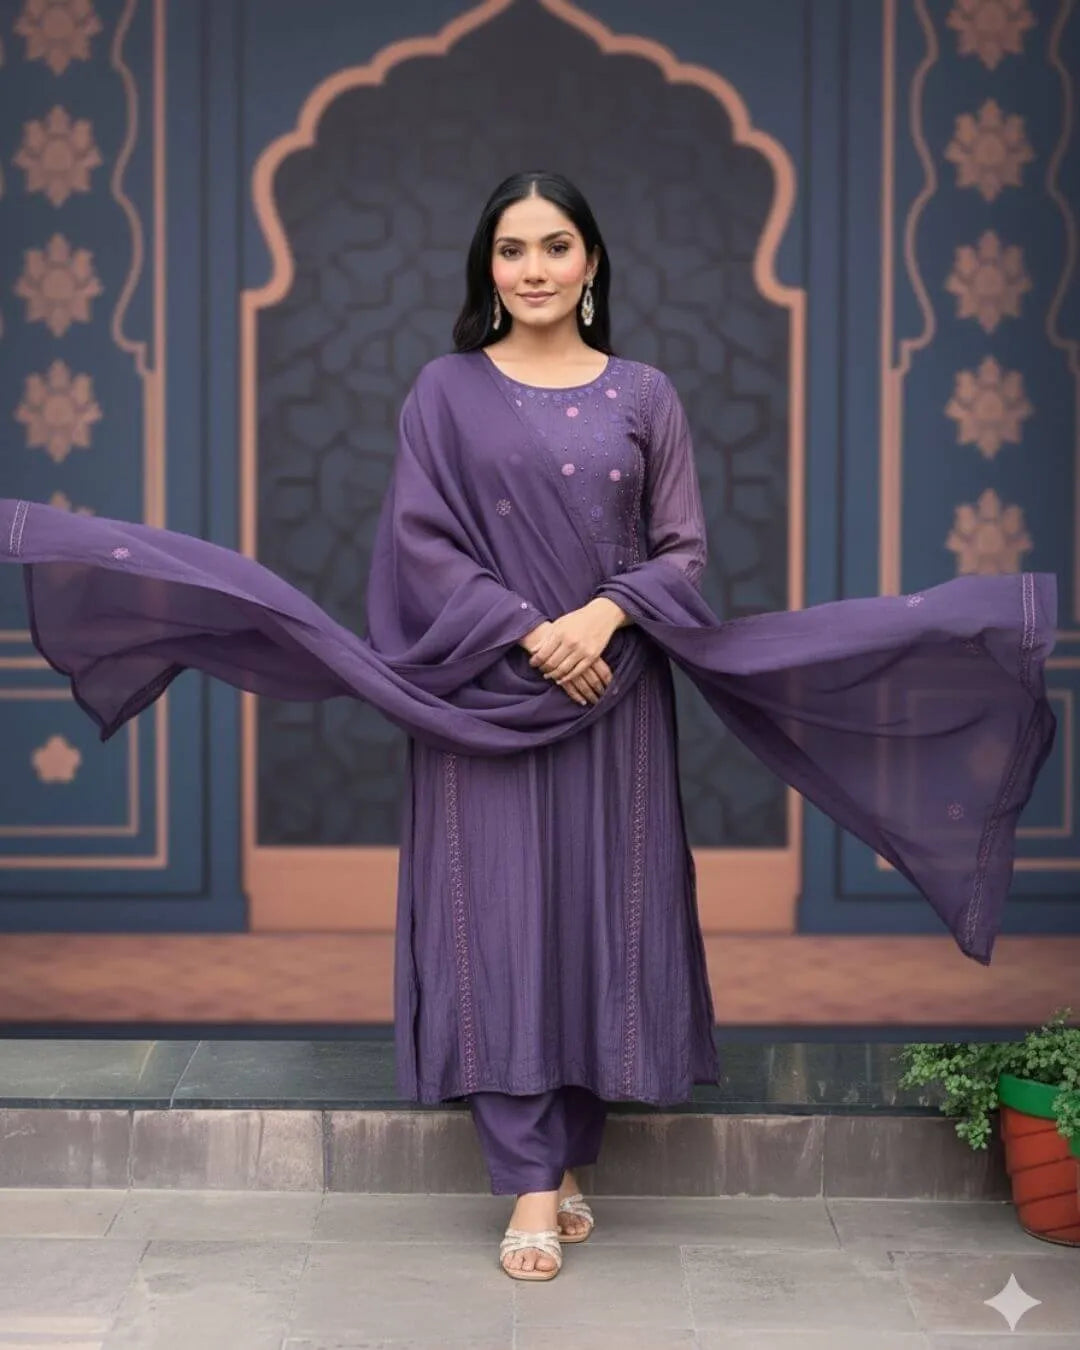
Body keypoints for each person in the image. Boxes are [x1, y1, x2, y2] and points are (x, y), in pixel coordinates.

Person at [0, 172, 1059, 1284]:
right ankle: (527, 1188)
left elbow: (683, 552)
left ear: (592, 264)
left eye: (557, 247)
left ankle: (566, 1158)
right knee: (495, 926)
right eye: (513, 250)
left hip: (616, 695)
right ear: (488, 268)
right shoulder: (444, 393)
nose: (536, 269)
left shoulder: (646, 394)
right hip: (481, 696)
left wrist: (599, 618)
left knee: (606, 919)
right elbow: (419, 548)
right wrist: (526, 631)